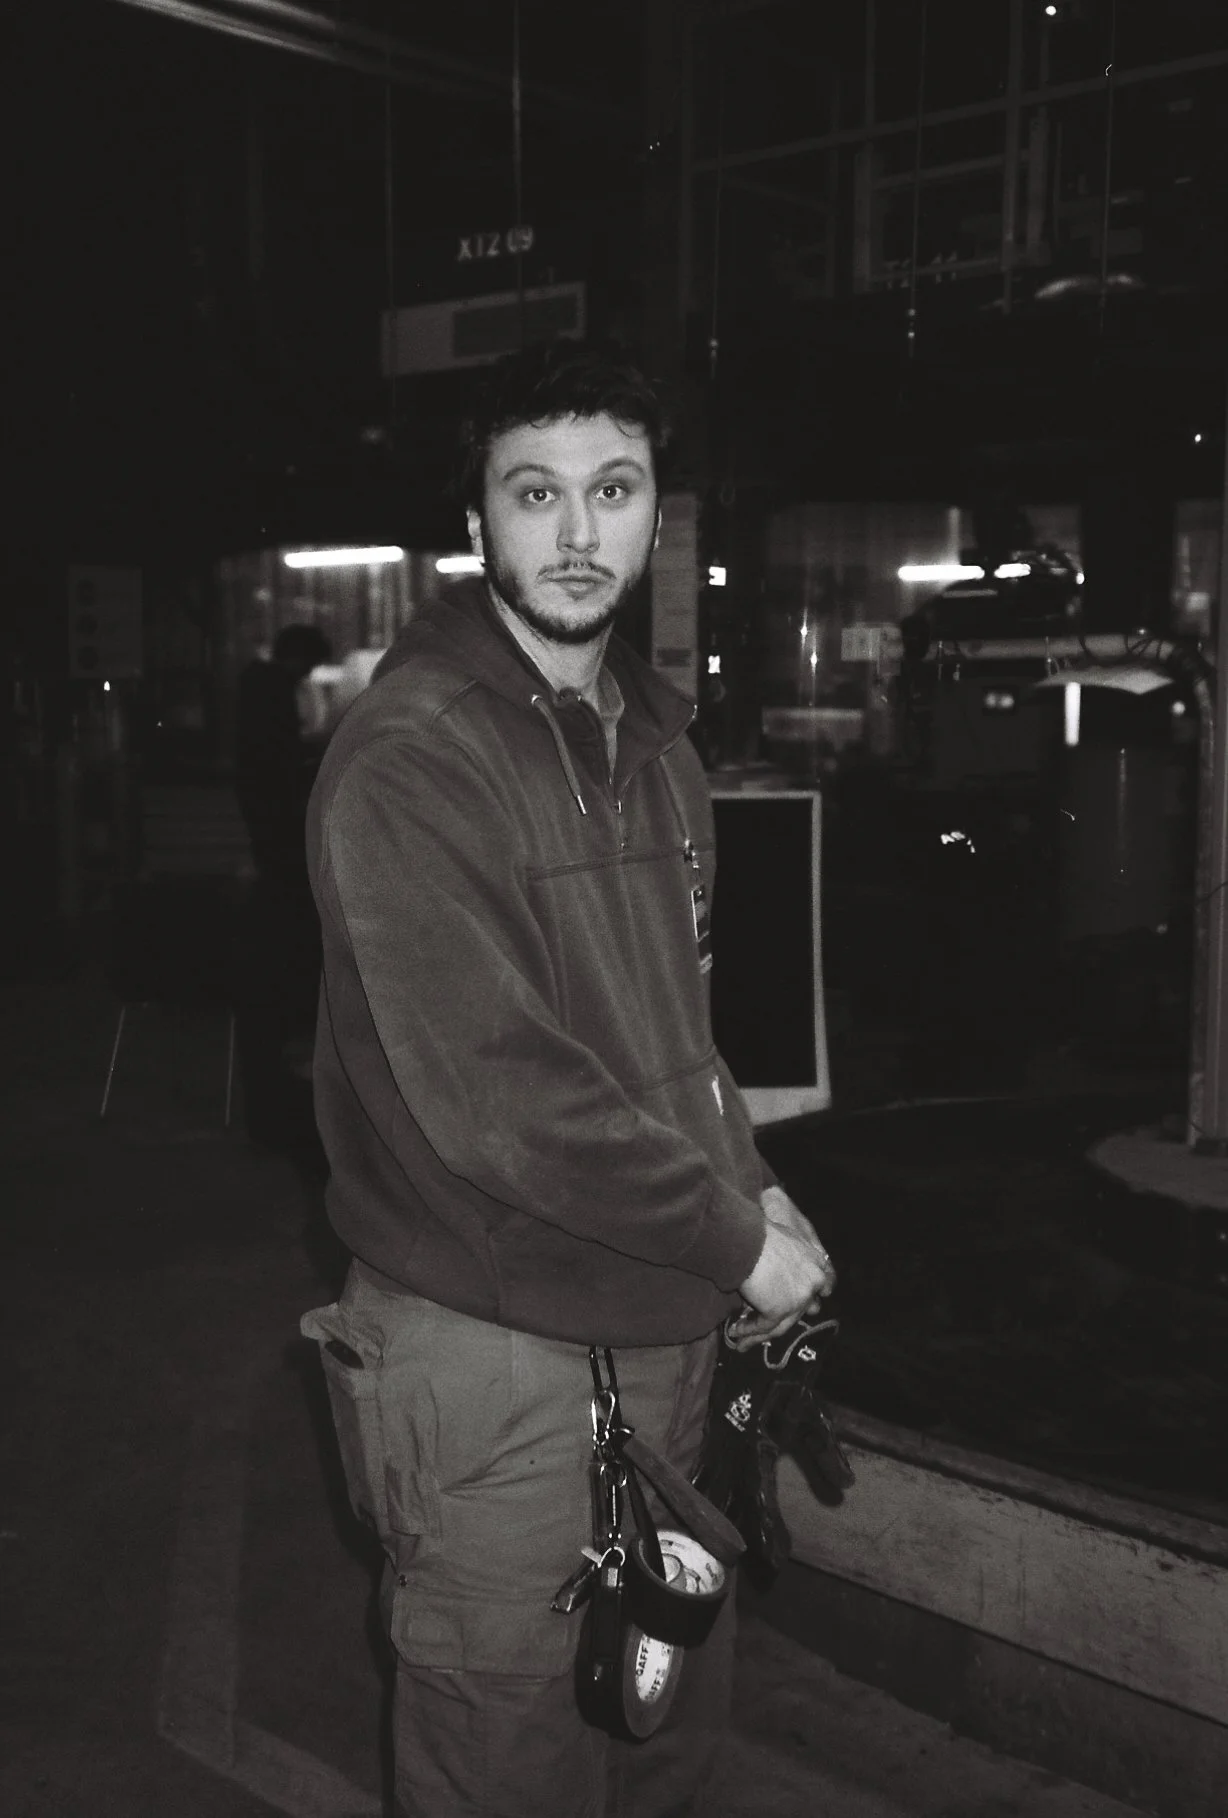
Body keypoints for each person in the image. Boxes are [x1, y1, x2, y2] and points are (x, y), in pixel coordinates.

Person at [301, 339, 836, 1816]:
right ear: (477, 522)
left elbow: (674, 1036)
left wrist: (757, 1183)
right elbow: (500, 1091)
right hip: (497, 1357)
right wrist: (738, 1237)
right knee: (511, 1766)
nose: (579, 531)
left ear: (659, 516)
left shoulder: (657, 748)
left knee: (659, 1741)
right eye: (536, 493)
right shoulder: (414, 758)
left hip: (662, 1329)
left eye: (614, 489)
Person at [233, 621, 332, 1148]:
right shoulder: (271, 688)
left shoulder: (256, 682)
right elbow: (277, 754)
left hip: (266, 829)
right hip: (276, 827)